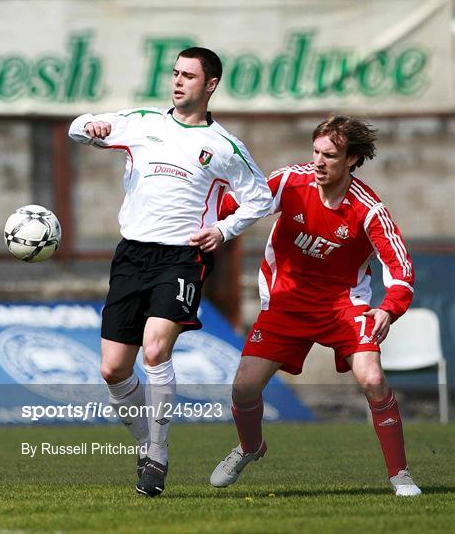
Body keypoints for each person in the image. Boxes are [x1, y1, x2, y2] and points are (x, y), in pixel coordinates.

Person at [68, 47, 272, 497]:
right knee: (112, 369)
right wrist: (92, 127)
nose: (178, 82)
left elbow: (261, 197)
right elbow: (76, 127)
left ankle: (158, 454)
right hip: (131, 256)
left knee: (155, 349)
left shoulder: (224, 146)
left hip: (182, 258)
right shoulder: (142, 122)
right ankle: (147, 443)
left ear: (211, 85)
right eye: (175, 73)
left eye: (189, 76)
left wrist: (224, 229)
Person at [210, 115, 422, 497]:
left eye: (330, 155)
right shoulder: (291, 181)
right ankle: (250, 446)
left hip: (344, 306)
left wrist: (388, 308)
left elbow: (401, 268)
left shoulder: (368, 209)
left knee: (372, 379)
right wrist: (204, 214)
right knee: (243, 388)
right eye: (316, 152)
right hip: (286, 301)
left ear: (352, 160)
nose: (319, 162)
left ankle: (400, 475)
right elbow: (240, 202)